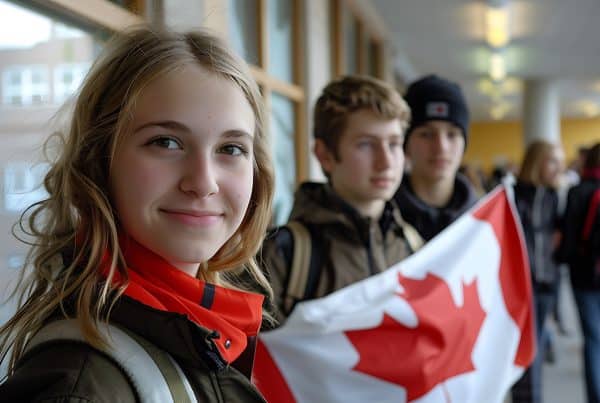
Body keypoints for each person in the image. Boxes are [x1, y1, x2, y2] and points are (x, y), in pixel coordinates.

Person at [0, 26, 274, 402]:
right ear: (99, 161)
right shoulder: (80, 388)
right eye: (166, 142)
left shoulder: (202, 329)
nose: (204, 182)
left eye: (230, 148)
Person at [260, 75, 412, 322]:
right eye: (366, 145)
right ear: (325, 155)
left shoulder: (411, 244)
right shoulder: (282, 254)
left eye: (394, 144)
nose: (386, 163)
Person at [511, 140, 565, 403]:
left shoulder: (555, 196)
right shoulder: (515, 194)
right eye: (552, 161)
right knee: (523, 349)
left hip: (547, 282)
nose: (558, 168)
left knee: (537, 348)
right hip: (520, 283)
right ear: (537, 162)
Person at [394, 74, 477, 243]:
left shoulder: (483, 219)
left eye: (452, 135)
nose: (441, 147)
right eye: (426, 134)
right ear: (406, 143)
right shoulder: (384, 218)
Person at [557, 142, 600, 403]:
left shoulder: (578, 191)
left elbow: (569, 236)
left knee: (593, 338)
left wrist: (563, 259)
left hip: (583, 274)